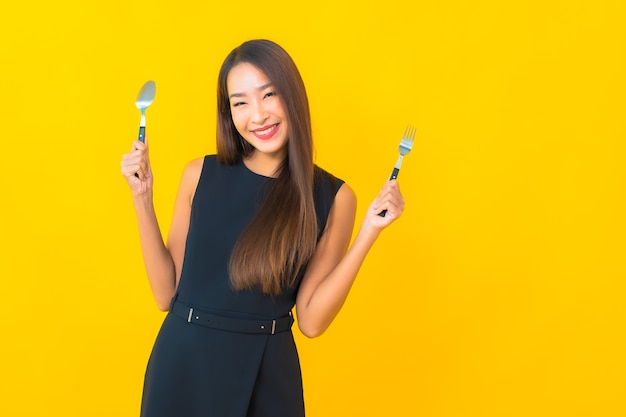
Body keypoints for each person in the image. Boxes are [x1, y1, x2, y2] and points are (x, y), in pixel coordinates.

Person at [120, 39, 405, 417]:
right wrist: (143, 197)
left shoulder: (333, 197)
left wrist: (370, 231)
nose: (257, 116)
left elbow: (312, 321)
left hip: (266, 375)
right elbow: (164, 294)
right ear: (229, 114)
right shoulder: (199, 174)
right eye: (240, 102)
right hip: (182, 366)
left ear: (292, 95)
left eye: (268, 94)